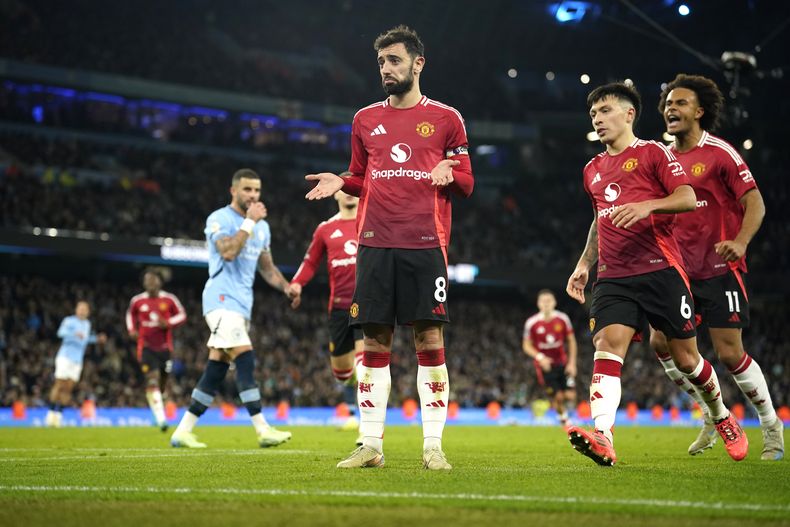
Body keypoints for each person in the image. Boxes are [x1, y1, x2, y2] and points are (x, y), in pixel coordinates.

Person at [304, 25, 474, 470]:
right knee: (374, 341)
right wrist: (342, 180)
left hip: (424, 244)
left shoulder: (446, 118)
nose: (386, 69)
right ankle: (370, 445)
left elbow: (469, 180)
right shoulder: (364, 119)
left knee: (429, 338)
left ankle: (433, 445)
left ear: (418, 64)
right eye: (381, 62)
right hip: (374, 243)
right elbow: (361, 176)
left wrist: (449, 173)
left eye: (394, 60)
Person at [565, 81, 748, 466]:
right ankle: (604, 435)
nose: (598, 119)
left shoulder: (653, 153)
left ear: (629, 114)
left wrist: (648, 206)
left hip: (660, 270)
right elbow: (599, 221)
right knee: (607, 345)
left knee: (687, 360)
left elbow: (687, 197)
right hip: (614, 276)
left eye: (606, 111)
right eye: (594, 114)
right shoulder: (591, 170)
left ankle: (722, 416)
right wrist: (585, 264)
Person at [651, 73, 783, 461]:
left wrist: (740, 241)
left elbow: (755, 202)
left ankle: (771, 425)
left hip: (718, 268)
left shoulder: (720, 153)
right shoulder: (661, 156)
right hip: (676, 269)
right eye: (668, 104)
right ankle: (712, 413)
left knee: (729, 354)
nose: (671, 109)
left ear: (700, 111)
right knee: (661, 343)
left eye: (680, 103)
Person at [170, 168, 299, 448]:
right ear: (234, 191)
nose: (253, 195)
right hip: (221, 300)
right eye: (247, 190)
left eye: (257, 191)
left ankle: (183, 430)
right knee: (245, 357)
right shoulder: (219, 219)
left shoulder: (262, 227)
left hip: (242, 305)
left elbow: (267, 268)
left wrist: (286, 287)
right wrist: (249, 223)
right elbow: (228, 252)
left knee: (217, 366)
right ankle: (262, 428)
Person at [290, 190, 364, 442]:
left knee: (366, 364)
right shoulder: (325, 229)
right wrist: (298, 283)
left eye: (353, 189)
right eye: (343, 191)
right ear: (336, 196)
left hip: (368, 302)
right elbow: (310, 262)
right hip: (339, 307)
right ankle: (354, 376)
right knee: (342, 373)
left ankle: (368, 428)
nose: (348, 195)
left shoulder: (370, 220)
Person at [126, 268, 187, 431]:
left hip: (165, 348)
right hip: (146, 347)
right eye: (148, 280)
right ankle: (161, 420)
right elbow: (129, 315)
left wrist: (168, 323)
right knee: (152, 379)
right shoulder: (137, 301)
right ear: (144, 283)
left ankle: (157, 409)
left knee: (162, 384)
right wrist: (132, 330)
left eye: (154, 280)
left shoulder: (169, 299)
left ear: (160, 282)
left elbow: (182, 315)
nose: (151, 283)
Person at [45, 301, 107, 427]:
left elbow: (84, 339)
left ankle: (59, 416)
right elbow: (60, 333)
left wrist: (96, 339)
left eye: (85, 309)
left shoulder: (87, 324)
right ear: (76, 310)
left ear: (88, 312)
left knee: (69, 388)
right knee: (59, 385)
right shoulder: (69, 321)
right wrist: (74, 333)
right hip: (65, 357)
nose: (82, 311)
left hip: (77, 360)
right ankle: (51, 413)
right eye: (80, 308)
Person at [522, 289, 577, 427]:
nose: (546, 303)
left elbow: (571, 341)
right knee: (557, 396)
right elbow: (526, 345)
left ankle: (565, 414)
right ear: (538, 304)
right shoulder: (532, 323)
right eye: (543, 301)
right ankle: (564, 420)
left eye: (549, 301)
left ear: (554, 303)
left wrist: (572, 363)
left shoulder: (563, 319)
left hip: (562, 362)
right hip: (545, 366)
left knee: (570, 396)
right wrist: (540, 357)